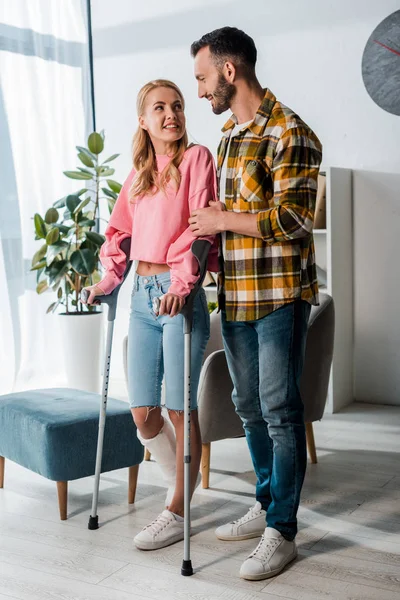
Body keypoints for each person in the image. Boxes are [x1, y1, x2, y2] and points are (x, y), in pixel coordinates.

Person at [189, 27, 323, 580]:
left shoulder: (292, 132)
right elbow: (222, 214)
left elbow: (293, 221)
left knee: (281, 413)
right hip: (237, 295)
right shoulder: (228, 136)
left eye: (201, 78)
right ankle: (269, 505)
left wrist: (222, 220)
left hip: (279, 296)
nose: (199, 92)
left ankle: (283, 531)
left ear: (228, 70)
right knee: (248, 409)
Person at [83, 79, 218, 550]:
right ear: (143, 120)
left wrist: (183, 285)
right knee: (143, 414)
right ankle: (178, 479)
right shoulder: (139, 174)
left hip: (179, 297)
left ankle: (177, 505)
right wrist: (105, 283)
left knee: (181, 410)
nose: (171, 114)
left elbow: (202, 227)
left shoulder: (196, 158)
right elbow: (119, 234)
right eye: (159, 108)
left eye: (177, 106)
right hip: (142, 295)